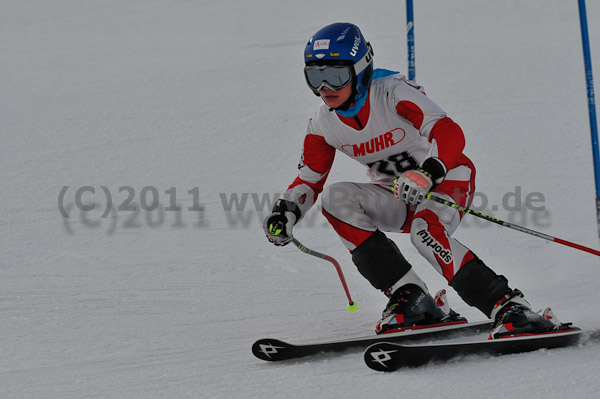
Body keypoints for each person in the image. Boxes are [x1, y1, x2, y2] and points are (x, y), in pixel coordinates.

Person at [263, 22, 569, 338]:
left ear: (361, 69)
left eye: (336, 75)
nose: (325, 87)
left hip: (447, 178)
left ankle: (510, 306)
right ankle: (412, 298)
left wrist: (428, 173)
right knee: (334, 199)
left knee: (426, 232)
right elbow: (310, 179)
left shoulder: (392, 93)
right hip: (397, 192)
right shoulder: (323, 123)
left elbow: (449, 132)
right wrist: (285, 213)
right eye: (315, 77)